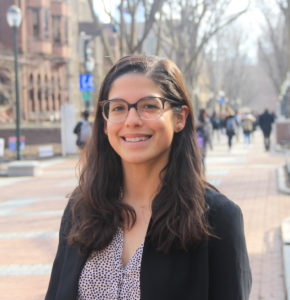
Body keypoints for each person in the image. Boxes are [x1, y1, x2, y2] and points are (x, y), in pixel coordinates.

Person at [45, 55, 251, 300]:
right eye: (118, 107)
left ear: (180, 117)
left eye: (149, 106)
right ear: (105, 121)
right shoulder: (82, 209)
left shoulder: (217, 219)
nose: (132, 120)